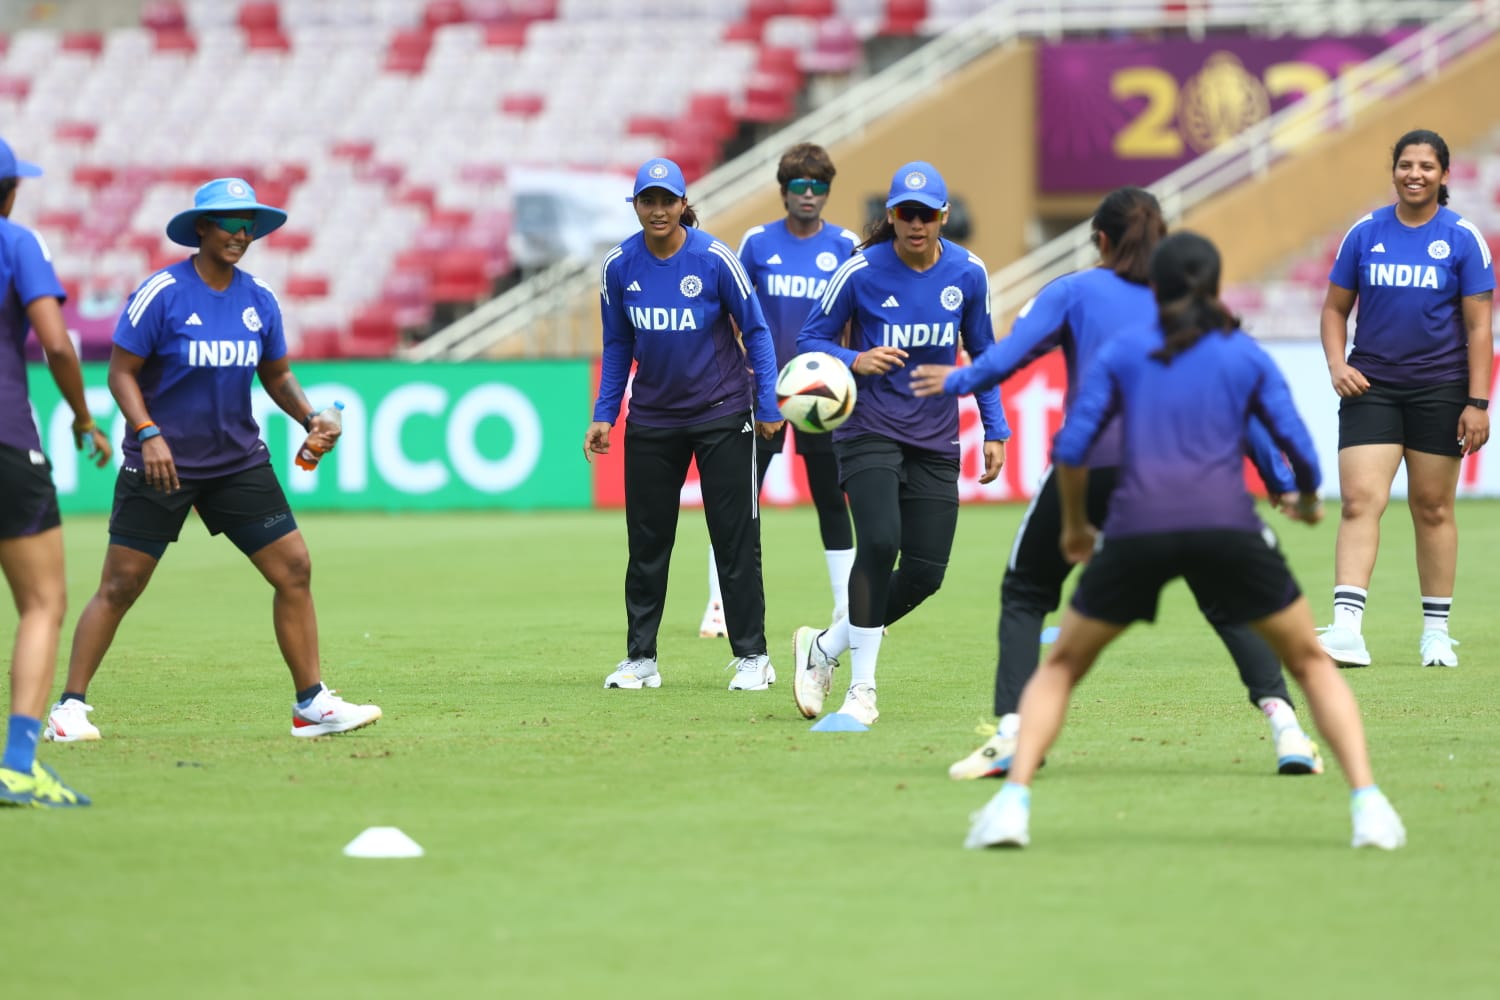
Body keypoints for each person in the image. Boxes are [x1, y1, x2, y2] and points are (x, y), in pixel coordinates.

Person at [963, 231, 1406, 851]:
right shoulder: (1240, 353)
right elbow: (1295, 442)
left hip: (1138, 527)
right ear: (1213, 284)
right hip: (1227, 525)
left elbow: (1072, 447)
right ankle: (1369, 806)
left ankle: (1011, 806)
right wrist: (1304, 499)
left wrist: (1073, 526)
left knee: (1061, 667)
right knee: (1308, 660)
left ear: (1155, 286)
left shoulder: (1124, 353)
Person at [910, 187, 1323, 779]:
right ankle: (1286, 725)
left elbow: (1008, 357)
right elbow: (1242, 402)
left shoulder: (1075, 290)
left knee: (1027, 591)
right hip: (1189, 477)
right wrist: (1279, 477)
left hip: (1096, 466)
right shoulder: (1193, 306)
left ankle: (1012, 731)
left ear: (1099, 239)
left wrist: (955, 380)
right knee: (1229, 602)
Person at [43, 178, 381, 742]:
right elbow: (120, 373)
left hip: (236, 462)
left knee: (294, 569)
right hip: (163, 463)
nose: (240, 233)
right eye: (228, 222)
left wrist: (309, 418)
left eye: (248, 223)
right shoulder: (162, 293)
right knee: (121, 585)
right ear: (200, 228)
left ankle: (311, 704)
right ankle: (69, 709)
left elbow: (275, 374)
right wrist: (147, 433)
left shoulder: (259, 299)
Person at [790, 161, 1010, 726]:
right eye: (905, 213)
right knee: (880, 542)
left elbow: (983, 352)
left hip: (936, 438)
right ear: (891, 216)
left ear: (942, 217)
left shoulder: (969, 273)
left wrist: (995, 427)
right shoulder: (859, 270)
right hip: (868, 428)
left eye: (927, 214)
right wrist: (854, 359)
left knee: (925, 574)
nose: (916, 223)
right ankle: (862, 689)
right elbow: (810, 337)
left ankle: (823, 648)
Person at [585, 157, 784, 691]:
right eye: (646, 201)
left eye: (666, 201)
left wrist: (767, 403)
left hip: (722, 416)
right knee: (648, 541)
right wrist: (606, 413)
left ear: (682, 204)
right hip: (651, 419)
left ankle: (752, 657)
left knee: (735, 538)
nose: (657, 210)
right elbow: (618, 343)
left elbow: (758, 333)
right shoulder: (618, 266)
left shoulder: (716, 259)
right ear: (636, 206)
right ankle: (641, 659)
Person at [1317, 128, 1493, 669]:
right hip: (1372, 387)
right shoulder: (1365, 233)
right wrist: (1337, 363)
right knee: (1358, 502)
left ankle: (1436, 634)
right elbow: (1333, 311)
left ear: (1444, 175)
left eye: (1426, 166)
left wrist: (1478, 403)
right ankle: (1347, 630)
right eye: (1405, 165)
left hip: (1441, 390)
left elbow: (1480, 327)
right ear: (1393, 170)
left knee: (1433, 508)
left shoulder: (1463, 237)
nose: (1414, 174)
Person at [697, 143, 860, 640]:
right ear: (783, 190)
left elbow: (858, 313)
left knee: (832, 499)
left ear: (828, 191)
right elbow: (733, 308)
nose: (809, 195)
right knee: (739, 497)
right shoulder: (756, 242)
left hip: (823, 394)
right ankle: (719, 605)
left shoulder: (846, 244)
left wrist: (851, 374)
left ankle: (847, 606)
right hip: (761, 389)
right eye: (799, 186)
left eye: (818, 186)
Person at [0, 137, 112, 806]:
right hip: (7, 442)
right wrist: (80, 415)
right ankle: (17, 763)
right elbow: (58, 342)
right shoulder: (17, 242)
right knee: (42, 603)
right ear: (11, 191)